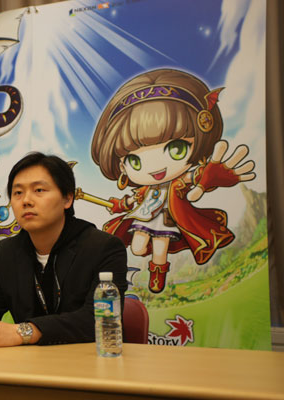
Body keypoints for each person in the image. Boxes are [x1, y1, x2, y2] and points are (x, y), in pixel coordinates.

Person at [90, 69, 255, 294]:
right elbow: (132, 201)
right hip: (143, 217)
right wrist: (120, 204)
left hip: (167, 219)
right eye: (134, 160)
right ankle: (151, 259)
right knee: (137, 248)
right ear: (121, 166)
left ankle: (158, 273)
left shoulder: (177, 184)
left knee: (160, 248)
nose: (155, 167)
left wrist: (208, 178)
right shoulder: (144, 190)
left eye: (176, 149)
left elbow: (195, 179)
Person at [0, 152, 128, 347]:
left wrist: (24, 332)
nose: (26, 201)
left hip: (88, 359)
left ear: (67, 199)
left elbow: (98, 319)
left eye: (39, 190)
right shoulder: (8, 251)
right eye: (18, 193)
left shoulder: (103, 247)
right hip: (29, 363)